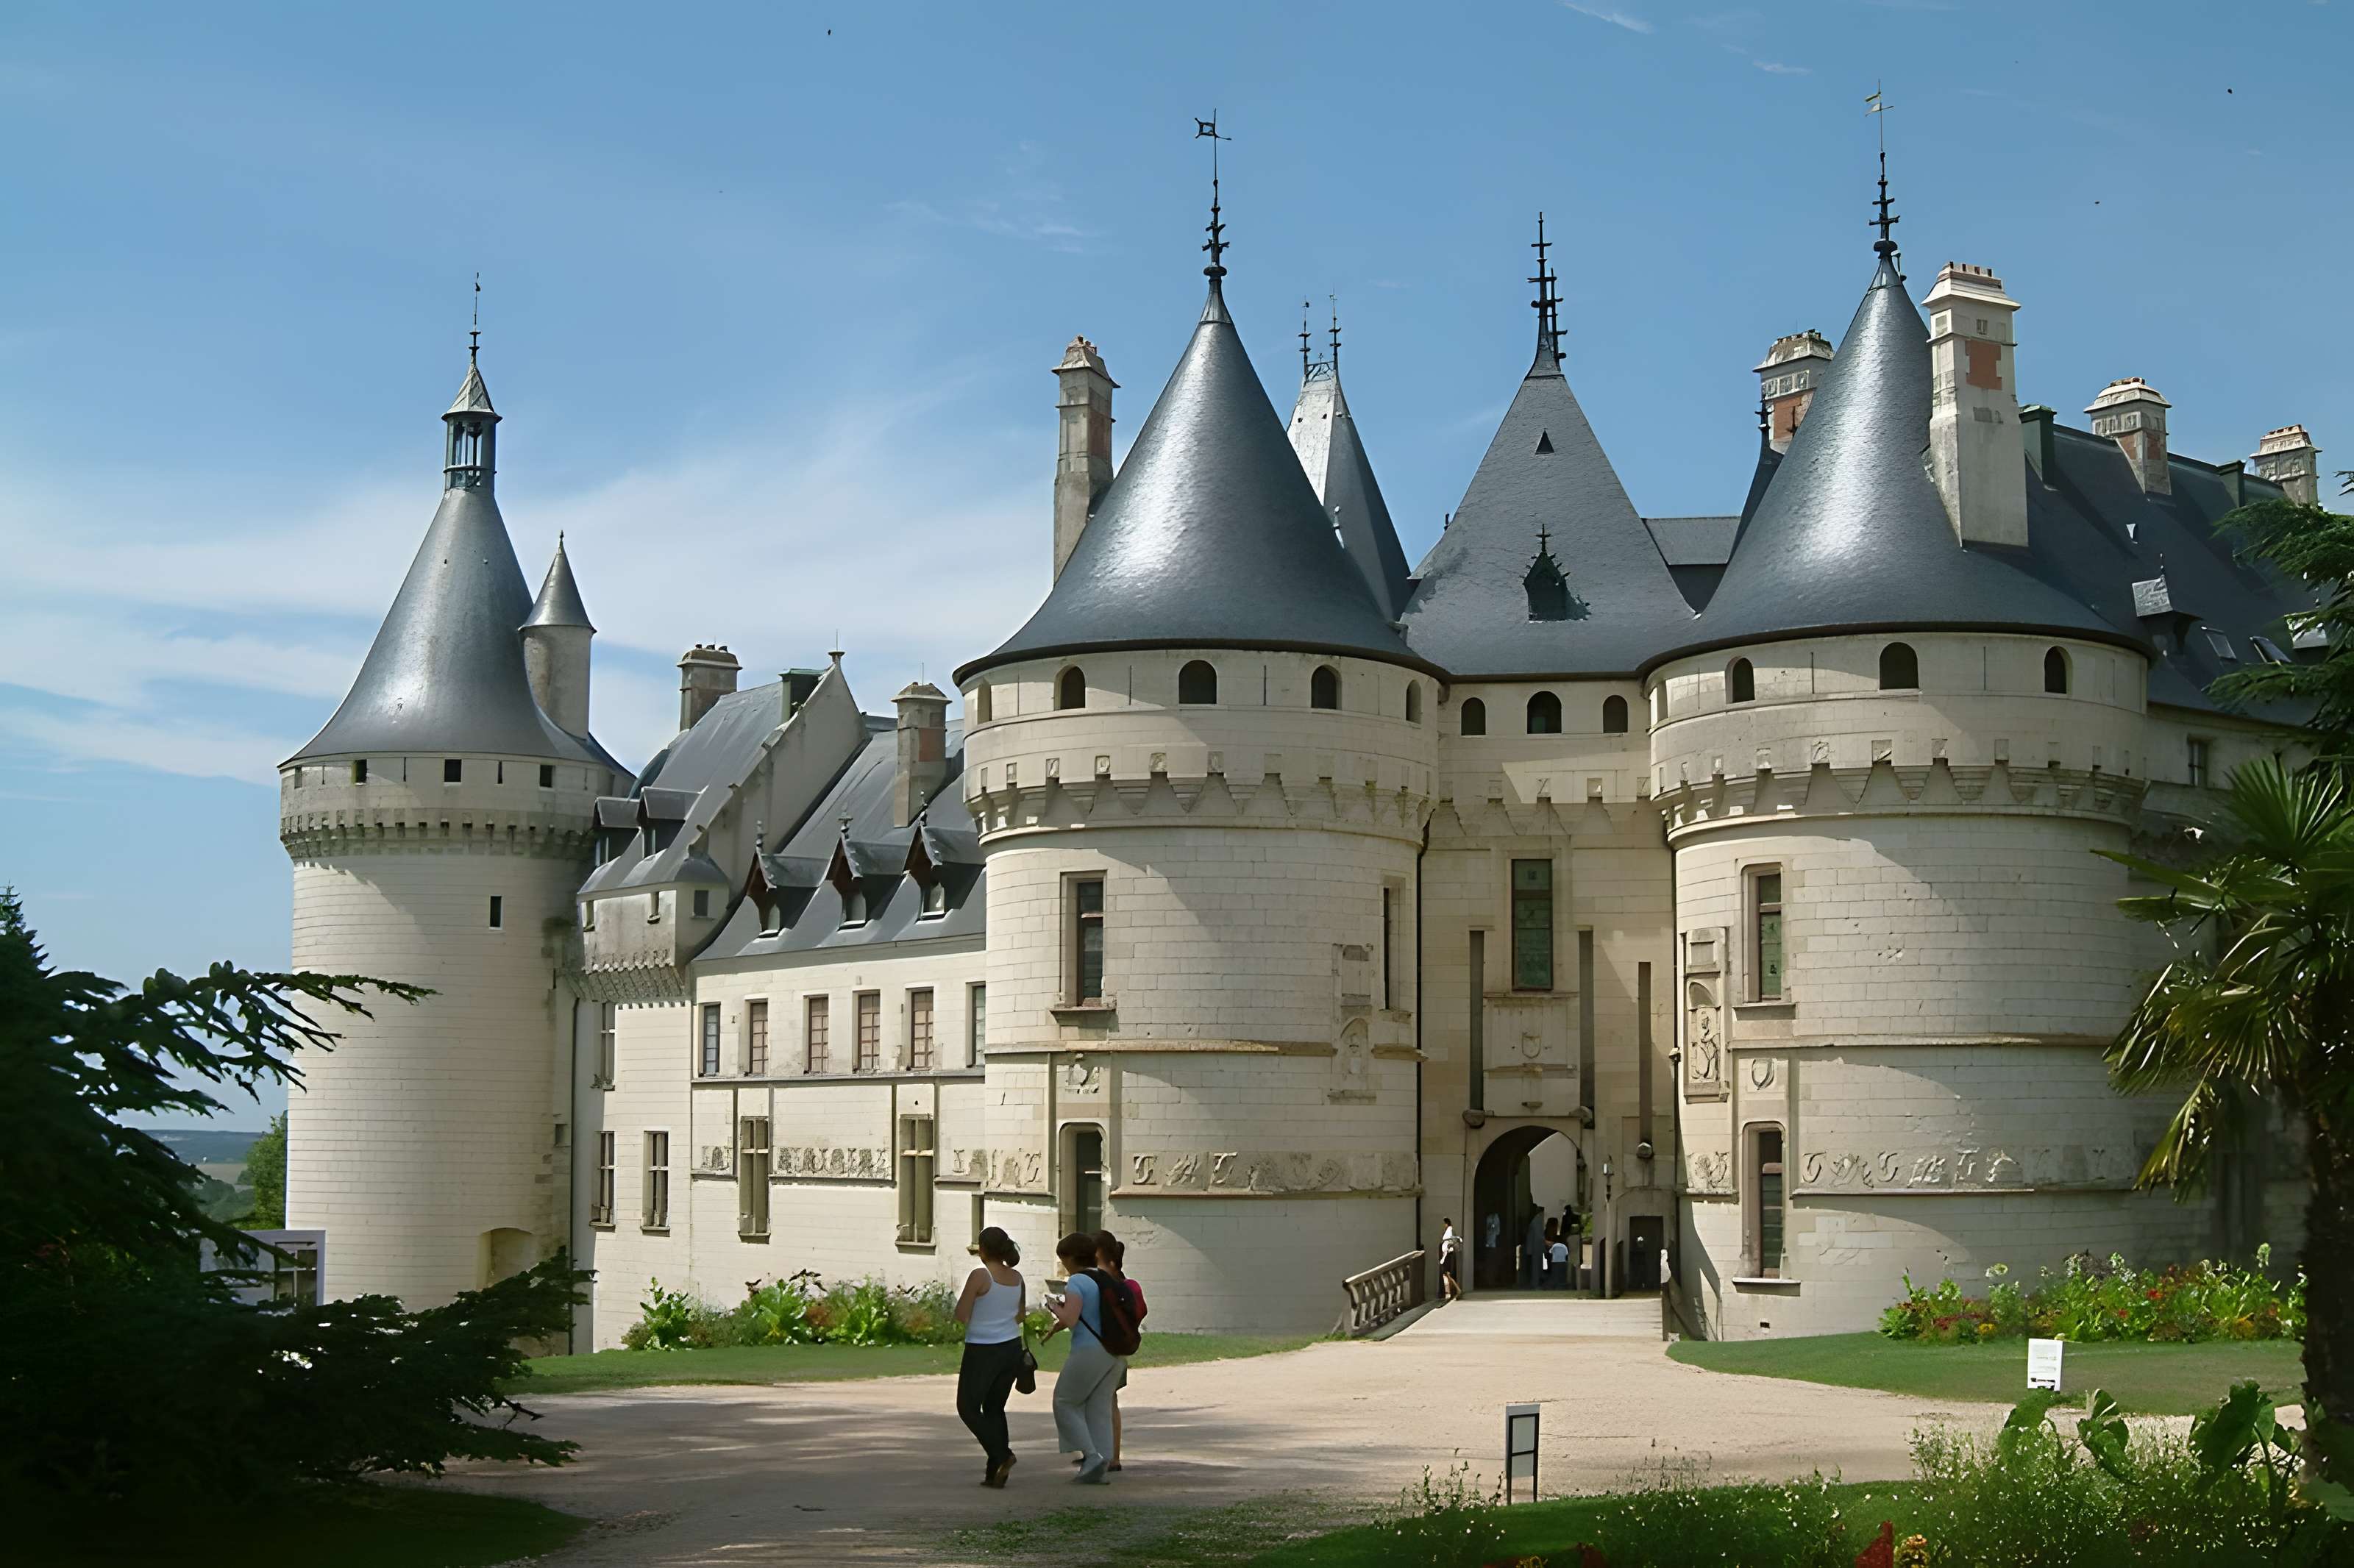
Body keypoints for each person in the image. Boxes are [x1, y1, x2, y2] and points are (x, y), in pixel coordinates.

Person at [1042, 1231, 1125, 1483]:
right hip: (1115, 1352)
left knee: (1064, 1402)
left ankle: (1091, 1456)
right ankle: (1102, 1461)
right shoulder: (1104, 1278)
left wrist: (1054, 1306)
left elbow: (1071, 1318)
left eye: (1063, 1258)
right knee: (1099, 1407)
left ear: (1070, 1258)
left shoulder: (1077, 1281)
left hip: (1089, 1350)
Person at [952, 1226, 1028, 1488]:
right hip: (1011, 1348)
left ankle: (1002, 1455)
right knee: (995, 1407)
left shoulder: (980, 1276)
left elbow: (962, 1314)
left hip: (983, 1348)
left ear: (982, 1250)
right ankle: (994, 1472)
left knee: (967, 1407)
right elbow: (1020, 1315)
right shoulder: (1017, 1278)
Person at [1092, 1229, 1145, 1470]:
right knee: (1110, 1401)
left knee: (1095, 1402)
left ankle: (1099, 1454)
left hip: (1100, 1347)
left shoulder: (1098, 1281)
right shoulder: (1126, 1284)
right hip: (1120, 1349)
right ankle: (1113, 1455)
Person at [1522, 1207, 1547, 1290]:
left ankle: (1537, 1283)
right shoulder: (1539, 1219)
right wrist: (1547, 1242)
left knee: (1538, 1266)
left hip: (1536, 1246)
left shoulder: (1538, 1218)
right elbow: (1539, 1235)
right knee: (1536, 1266)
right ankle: (1535, 1284)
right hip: (1536, 1246)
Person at [1439, 1217, 1461, 1302]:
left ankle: (1454, 1291)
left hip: (1448, 1254)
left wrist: (1447, 1248)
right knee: (1447, 1274)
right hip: (1447, 1254)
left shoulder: (1450, 1231)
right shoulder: (1449, 1231)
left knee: (1447, 1274)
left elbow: (1451, 1242)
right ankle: (1454, 1292)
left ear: (1446, 1224)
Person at [1548, 1226, 1572, 1291]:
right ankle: (1561, 1286)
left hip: (1555, 1262)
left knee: (1555, 1274)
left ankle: (1555, 1286)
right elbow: (1567, 1254)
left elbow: (1550, 1252)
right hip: (1562, 1262)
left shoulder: (1554, 1246)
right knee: (1562, 1275)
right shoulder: (1564, 1246)